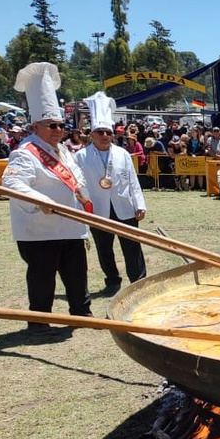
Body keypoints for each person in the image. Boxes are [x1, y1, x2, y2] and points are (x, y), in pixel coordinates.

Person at [1, 63, 93, 332]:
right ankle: (39, 321)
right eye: (51, 125)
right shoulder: (25, 152)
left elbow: (78, 177)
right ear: (35, 126)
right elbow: (12, 182)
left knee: (77, 274)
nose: (57, 129)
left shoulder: (63, 151)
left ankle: (82, 313)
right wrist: (41, 201)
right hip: (40, 231)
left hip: (72, 227)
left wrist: (83, 193)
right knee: (42, 278)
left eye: (60, 125)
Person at [75, 92, 147, 296]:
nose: (105, 135)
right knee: (104, 249)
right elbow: (78, 185)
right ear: (92, 134)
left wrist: (140, 205)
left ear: (112, 134)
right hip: (98, 209)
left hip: (125, 207)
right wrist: (83, 209)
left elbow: (133, 181)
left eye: (108, 132)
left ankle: (139, 280)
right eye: (100, 132)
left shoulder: (122, 153)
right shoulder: (81, 156)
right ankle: (112, 281)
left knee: (132, 246)